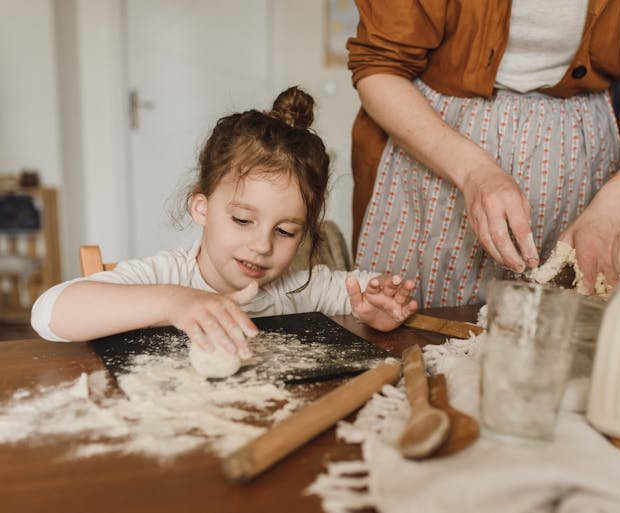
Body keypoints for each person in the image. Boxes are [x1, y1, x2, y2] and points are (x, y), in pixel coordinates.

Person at [347, 0, 620, 306]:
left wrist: (616, 208)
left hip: (581, 161)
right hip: (434, 154)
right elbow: (380, 65)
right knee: (407, 333)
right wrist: (475, 172)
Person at [31, 86, 418, 359]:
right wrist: (174, 302)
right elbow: (48, 313)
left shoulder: (298, 286)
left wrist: (376, 308)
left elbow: (360, 289)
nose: (262, 246)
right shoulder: (169, 275)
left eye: (285, 231)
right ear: (201, 207)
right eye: (243, 219)